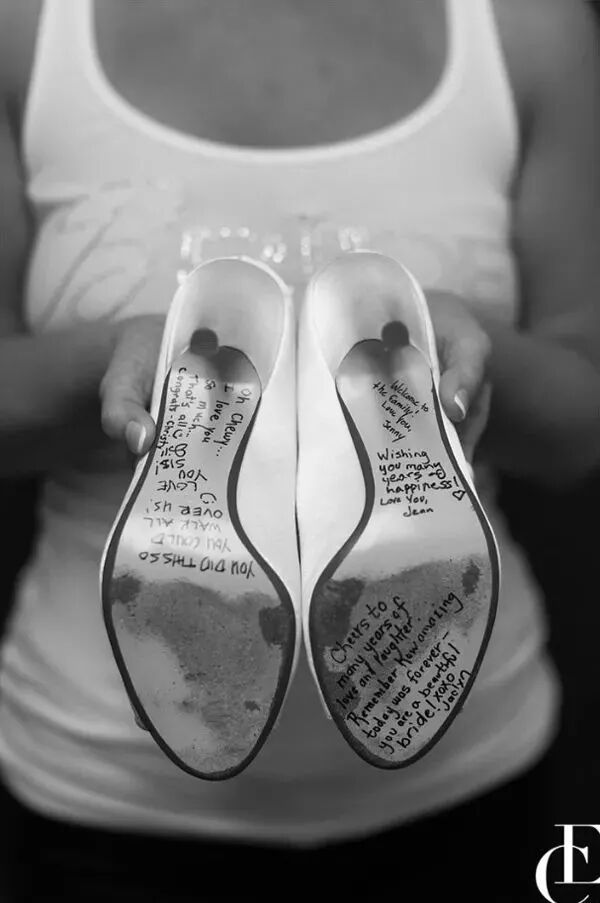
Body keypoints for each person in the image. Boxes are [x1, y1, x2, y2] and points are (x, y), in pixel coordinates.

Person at [0, 0, 599, 899]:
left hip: (471, 768)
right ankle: (365, 352)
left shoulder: (528, 24)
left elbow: (582, 428)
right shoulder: (23, 26)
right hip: (102, 784)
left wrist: (474, 358)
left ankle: (240, 365)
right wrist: (109, 363)